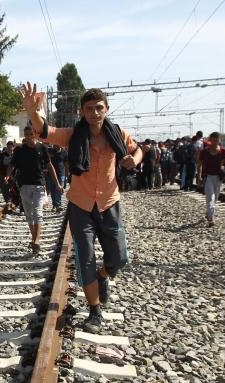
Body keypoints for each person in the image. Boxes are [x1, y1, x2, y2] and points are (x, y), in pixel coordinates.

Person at [21, 83, 142, 333]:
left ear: (106, 109)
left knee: (119, 258)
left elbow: (137, 149)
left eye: (99, 108)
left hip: (109, 203)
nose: (94, 113)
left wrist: (134, 160)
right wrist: (32, 112)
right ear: (81, 112)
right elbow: (45, 131)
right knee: (85, 258)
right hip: (81, 206)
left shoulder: (117, 134)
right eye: (89, 108)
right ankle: (95, 311)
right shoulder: (73, 135)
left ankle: (103, 274)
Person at [6, 126, 61, 254]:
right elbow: (12, 165)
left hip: (39, 184)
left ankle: (37, 240)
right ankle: (34, 238)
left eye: (31, 134)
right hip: (24, 185)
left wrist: (57, 184)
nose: (29, 136)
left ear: (35, 134)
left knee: (37, 212)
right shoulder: (19, 150)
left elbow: (50, 166)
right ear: (24, 135)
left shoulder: (42, 148)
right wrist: (7, 175)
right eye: (26, 134)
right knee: (29, 213)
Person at [198, 132, 225, 226]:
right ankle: (211, 218)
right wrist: (199, 176)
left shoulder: (223, 151)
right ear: (210, 140)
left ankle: (208, 212)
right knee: (210, 197)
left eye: (217, 140)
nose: (215, 142)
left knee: (215, 198)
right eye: (213, 140)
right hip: (208, 177)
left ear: (219, 140)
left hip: (218, 177)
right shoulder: (204, 152)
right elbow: (200, 165)